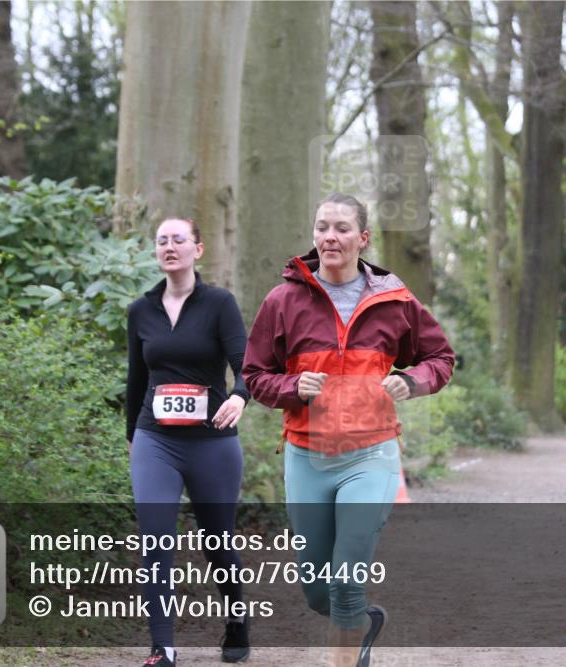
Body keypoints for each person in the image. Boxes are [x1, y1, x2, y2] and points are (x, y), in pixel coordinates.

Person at [243, 193, 455, 667]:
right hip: (306, 455)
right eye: (322, 227)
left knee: (345, 577)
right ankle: (360, 619)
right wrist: (294, 386)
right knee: (318, 591)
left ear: (363, 238)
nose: (329, 237)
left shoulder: (394, 301)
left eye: (341, 228)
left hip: (371, 454)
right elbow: (255, 374)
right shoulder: (283, 301)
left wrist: (410, 379)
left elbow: (441, 359)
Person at [126, 217, 251, 667]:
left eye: (179, 239)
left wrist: (239, 397)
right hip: (154, 439)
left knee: (217, 541)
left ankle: (237, 620)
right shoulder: (141, 310)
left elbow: (245, 365)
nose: (169, 246)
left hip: (212, 440)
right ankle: (163, 648)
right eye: (162, 241)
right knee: (155, 541)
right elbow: (135, 380)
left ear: (198, 249)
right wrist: (132, 442)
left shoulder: (219, 303)